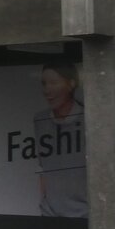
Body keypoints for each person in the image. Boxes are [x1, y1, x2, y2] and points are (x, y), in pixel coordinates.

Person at [33, 62, 86, 217]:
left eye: (54, 83)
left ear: (71, 84)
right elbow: (42, 166)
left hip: (84, 215)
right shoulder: (40, 120)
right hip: (50, 216)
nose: (47, 90)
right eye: (44, 84)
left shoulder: (90, 119)